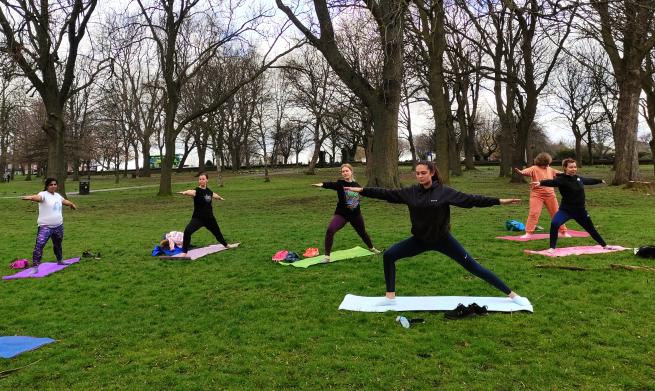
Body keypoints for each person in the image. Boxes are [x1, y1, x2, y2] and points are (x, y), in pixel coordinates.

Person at [345, 161, 530, 307]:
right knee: (389, 255)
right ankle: (390, 297)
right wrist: (362, 190)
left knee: (474, 267)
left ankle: (513, 295)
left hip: (443, 240)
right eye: (417, 173)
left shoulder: (444, 192)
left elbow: (471, 200)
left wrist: (499, 201)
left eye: (423, 173)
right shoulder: (410, 192)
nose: (420, 176)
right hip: (419, 240)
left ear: (432, 173)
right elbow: (387, 194)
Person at [534, 158, 612, 252]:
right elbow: (552, 182)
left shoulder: (578, 178)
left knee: (591, 229)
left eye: (575, 167)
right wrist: (541, 182)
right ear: (565, 168)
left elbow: (587, 180)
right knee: (555, 224)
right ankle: (552, 247)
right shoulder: (561, 179)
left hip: (580, 211)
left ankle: (604, 245)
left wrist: (600, 180)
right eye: (571, 167)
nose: (574, 169)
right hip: (565, 211)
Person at [312, 163, 379, 263]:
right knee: (330, 230)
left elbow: (362, 194)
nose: (344, 173)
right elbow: (331, 184)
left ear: (351, 172)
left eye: (346, 171)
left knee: (362, 233)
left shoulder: (357, 185)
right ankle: (327, 257)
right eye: (343, 171)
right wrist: (322, 184)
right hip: (341, 214)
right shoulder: (340, 184)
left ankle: (372, 248)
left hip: (355, 215)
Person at [21, 178, 77, 274]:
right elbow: (38, 198)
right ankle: (35, 267)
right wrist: (31, 197)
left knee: (58, 245)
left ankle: (60, 260)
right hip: (45, 226)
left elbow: (64, 201)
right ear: (47, 186)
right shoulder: (43, 194)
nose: (53, 186)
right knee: (39, 246)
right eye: (51, 184)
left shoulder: (57, 196)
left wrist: (71, 204)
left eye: (55, 184)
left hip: (58, 226)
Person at [177, 172, 236, 256]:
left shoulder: (208, 191)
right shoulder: (196, 191)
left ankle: (226, 245)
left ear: (207, 180)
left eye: (203, 179)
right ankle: (184, 252)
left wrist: (220, 198)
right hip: (198, 218)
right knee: (187, 231)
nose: (201, 181)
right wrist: (185, 192)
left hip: (209, 218)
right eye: (200, 179)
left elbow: (214, 195)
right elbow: (191, 192)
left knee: (217, 233)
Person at [513, 152, 568, 239]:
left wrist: (568, 173)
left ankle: (563, 231)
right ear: (539, 162)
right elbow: (526, 171)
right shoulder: (534, 168)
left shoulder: (550, 169)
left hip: (550, 195)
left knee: (556, 213)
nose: (546, 166)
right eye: (544, 165)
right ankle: (528, 233)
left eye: (547, 164)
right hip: (536, 195)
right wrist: (521, 172)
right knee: (534, 213)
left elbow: (560, 173)